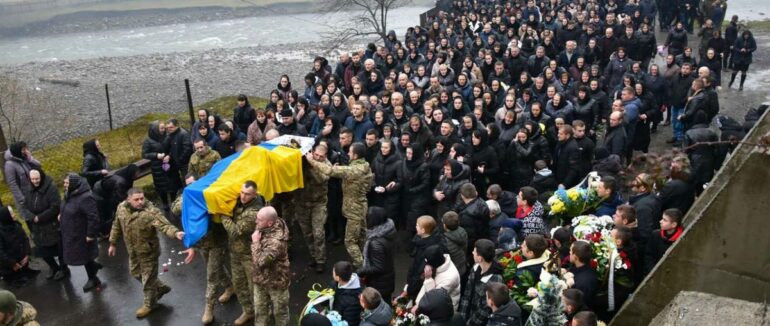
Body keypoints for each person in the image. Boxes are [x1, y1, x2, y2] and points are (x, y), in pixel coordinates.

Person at [108, 187, 184, 318]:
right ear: (128, 199)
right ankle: (160, 287)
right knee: (135, 273)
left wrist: (176, 232)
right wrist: (112, 243)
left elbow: (164, 225)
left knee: (148, 280)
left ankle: (150, 304)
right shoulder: (121, 208)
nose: (140, 202)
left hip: (149, 251)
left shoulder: (150, 212)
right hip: (132, 250)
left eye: (142, 198)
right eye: (136, 199)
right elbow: (116, 225)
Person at [171, 176, 231, 325]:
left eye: (194, 183)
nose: (192, 187)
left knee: (211, 274)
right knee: (216, 268)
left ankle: (209, 308)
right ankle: (230, 286)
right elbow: (175, 209)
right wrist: (189, 197)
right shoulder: (185, 197)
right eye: (188, 185)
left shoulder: (209, 194)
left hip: (217, 241)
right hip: (202, 243)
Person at [305, 143, 373, 267]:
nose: (348, 154)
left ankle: (361, 266)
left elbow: (330, 171)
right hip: (361, 206)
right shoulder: (364, 166)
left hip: (354, 210)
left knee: (350, 242)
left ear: (356, 155)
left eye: (350, 152)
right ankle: (365, 259)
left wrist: (312, 161)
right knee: (362, 236)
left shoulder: (353, 170)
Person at [220, 181, 264, 325]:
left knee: (255, 288)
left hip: (249, 256)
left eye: (247, 194)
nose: (243, 196)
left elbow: (235, 231)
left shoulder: (254, 212)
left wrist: (223, 215)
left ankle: (262, 315)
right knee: (239, 285)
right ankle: (248, 311)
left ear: (255, 194)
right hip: (235, 253)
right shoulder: (238, 202)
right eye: (242, 192)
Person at [20, 169, 66, 281]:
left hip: (51, 224)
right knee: (42, 250)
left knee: (59, 249)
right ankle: (54, 267)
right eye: (33, 179)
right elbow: (24, 207)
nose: (35, 181)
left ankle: (64, 269)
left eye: (37, 179)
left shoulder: (51, 189)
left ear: (41, 177)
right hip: (37, 227)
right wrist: (32, 217)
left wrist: (39, 217)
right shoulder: (28, 189)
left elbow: (55, 207)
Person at [60, 173, 102, 292]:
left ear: (73, 183)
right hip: (73, 232)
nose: (65, 185)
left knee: (85, 257)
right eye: (64, 183)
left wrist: (90, 234)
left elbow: (93, 217)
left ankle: (93, 278)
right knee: (83, 256)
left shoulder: (85, 197)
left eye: (67, 183)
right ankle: (94, 268)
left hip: (82, 233)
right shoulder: (70, 193)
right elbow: (66, 205)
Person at [250, 206, 291, 326]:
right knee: (260, 311)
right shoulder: (264, 226)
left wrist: (255, 243)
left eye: (259, 220)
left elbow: (259, 262)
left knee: (280, 313)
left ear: (270, 223)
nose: (256, 222)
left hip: (276, 282)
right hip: (260, 279)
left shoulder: (276, 242)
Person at [299, 144, 331, 273]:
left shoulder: (327, 165)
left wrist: (310, 163)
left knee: (318, 232)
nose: (318, 158)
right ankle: (313, 255)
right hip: (302, 202)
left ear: (325, 156)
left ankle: (320, 260)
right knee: (307, 232)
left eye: (321, 156)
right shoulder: (305, 160)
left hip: (319, 203)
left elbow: (321, 178)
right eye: (316, 155)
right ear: (312, 152)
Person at [458, 239, 504, 325]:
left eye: (474, 251)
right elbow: (467, 295)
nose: (472, 253)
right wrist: (462, 317)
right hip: (468, 314)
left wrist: (469, 323)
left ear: (480, 258)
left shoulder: (495, 280)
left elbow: (485, 310)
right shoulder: (475, 268)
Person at [358, 207, 396, 302]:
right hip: (387, 279)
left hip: (379, 284)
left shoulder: (375, 243)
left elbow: (378, 267)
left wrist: (362, 271)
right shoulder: (388, 231)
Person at [415, 245, 461, 310]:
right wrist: (418, 304)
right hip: (431, 306)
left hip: (444, 312)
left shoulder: (450, 278)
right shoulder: (439, 262)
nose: (426, 266)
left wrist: (428, 279)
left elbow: (434, 299)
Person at [0, 207, 38, 287]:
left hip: (22, 260)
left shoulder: (17, 225)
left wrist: (27, 255)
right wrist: (13, 263)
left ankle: (24, 269)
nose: (14, 215)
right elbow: (1, 252)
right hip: (11, 265)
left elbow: (25, 239)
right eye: (11, 214)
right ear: (6, 216)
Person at [684, 111, 718, 195]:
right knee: (707, 179)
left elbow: (685, 149)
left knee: (695, 179)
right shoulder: (712, 132)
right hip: (709, 158)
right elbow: (717, 147)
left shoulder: (689, 133)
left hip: (694, 158)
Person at [142, 121, 174, 210]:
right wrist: (156, 155)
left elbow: (172, 148)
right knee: (161, 187)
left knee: (172, 184)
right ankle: (165, 204)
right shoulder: (148, 141)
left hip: (168, 164)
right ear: (155, 129)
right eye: (161, 128)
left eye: (164, 128)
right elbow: (144, 154)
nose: (164, 130)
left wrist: (169, 155)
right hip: (157, 167)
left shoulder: (167, 136)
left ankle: (174, 202)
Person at [644, 208, 684, 275]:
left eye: (665, 220)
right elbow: (649, 255)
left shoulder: (681, 239)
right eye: (662, 219)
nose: (660, 221)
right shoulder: (656, 234)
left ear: (674, 224)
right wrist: (652, 271)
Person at [4, 141, 41, 210]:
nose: (26, 151)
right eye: (24, 149)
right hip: (25, 196)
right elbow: (12, 183)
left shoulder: (24, 158)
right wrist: (21, 199)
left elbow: (38, 165)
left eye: (26, 149)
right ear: (18, 151)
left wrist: (30, 158)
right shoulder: (10, 165)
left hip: (34, 191)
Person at [568, 241, 598, 310]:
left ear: (575, 257)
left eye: (570, 251)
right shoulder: (584, 267)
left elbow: (578, 305)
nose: (569, 252)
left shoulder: (583, 282)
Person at [164, 118, 193, 188]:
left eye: (171, 127)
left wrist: (180, 160)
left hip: (185, 164)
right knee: (182, 180)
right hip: (177, 163)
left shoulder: (184, 134)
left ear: (177, 126)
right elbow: (172, 148)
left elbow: (187, 149)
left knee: (187, 180)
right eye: (167, 128)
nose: (169, 129)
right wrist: (170, 156)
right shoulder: (171, 135)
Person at [332, 261, 363, 326]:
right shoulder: (335, 283)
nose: (332, 274)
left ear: (338, 278)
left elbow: (350, 322)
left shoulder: (352, 302)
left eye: (333, 273)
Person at [441, 211, 468, 279]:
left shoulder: (444, 241)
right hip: (462, 265)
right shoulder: (463, 231)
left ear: (445, 225)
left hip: (452, 271)